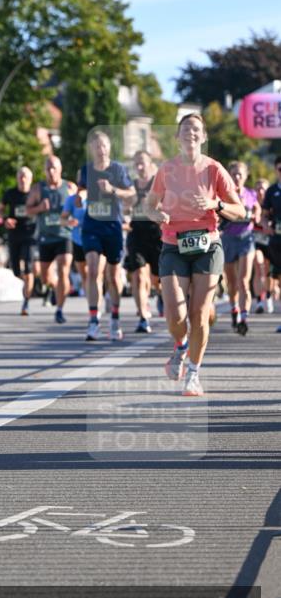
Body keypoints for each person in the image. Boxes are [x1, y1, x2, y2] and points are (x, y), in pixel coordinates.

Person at [145, 113, 245, 396]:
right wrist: (157, 214)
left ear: (203, 137)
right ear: (177, 137)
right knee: (176, 315)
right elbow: (149, 205)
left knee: (199, 314)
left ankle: (193, 373)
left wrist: (215, 203)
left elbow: (240, 211)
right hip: (173, 245)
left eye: (196, 129)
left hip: (208, 245)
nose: (191, 132)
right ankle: (180, 346)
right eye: (185, 129)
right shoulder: (167, 170)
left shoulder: (214, 169)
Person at [79, 131, 135, 341]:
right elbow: (81, 191)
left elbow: (131, 193)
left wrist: (113, 190)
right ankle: (93, 320)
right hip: (92, 225)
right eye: (97, 146)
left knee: (113, 275)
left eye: (104, 146)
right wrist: (78, 198)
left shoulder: (118, 169)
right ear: (91, 149)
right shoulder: (85, 170)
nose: (100, 150)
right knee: (93, 270)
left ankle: (115, 318)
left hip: (113, 225)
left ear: (109, 148)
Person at [26, 156, 74, 324]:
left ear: (60, 169)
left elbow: (81, 206)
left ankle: (60, 309)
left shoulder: (69, 187)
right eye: (48, 168)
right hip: (46, 237)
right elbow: (27, 210)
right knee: (45, 277)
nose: (51, 171)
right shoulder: (38, 189)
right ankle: (53, 288)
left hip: (64, 235)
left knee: (63, 270)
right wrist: (39, 208)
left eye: (54, 167)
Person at [123, 150, 163, 334]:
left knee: (157, 279)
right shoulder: (130, 187)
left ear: (150, 163)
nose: (139, 167)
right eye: (136, 163)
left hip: (157, 235)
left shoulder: (159, 183)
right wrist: (125, 213)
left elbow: (168, 205)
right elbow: (123, 210)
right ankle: (143, 317)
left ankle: (160, 293)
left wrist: (157, 208)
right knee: (139, 276)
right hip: (136, 234)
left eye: (142, 163)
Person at [221, 161, 259, 336]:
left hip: (246, 238)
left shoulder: (251, 194)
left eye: (240, 174)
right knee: (232, 282)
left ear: (245, 177)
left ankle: (244, 318)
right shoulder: (224, 194)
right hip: (228, 238)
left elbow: (258, 211)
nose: (236, 177)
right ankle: (234, 309)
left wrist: (255, 215)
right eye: (233, 174)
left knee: (244, 280)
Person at [0, 166, 37, 316]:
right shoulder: (10, 193)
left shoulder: (35, 194)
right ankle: (31, 282)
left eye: (25, 176)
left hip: (30, 235)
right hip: (14, 234)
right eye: (20, 176)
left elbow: (44, 209)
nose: (23, 179)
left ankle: (26, 302)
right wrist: (5, 219)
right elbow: (0, 209)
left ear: (30, 179)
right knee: (15, 271)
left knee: (27, 267)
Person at [261, 155, 281, 333]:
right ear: (276, 170)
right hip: (277, 240)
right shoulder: (272, 191)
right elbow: (265, 214)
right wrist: (266, 224)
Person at [61, 183, 88, 300]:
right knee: (85, 274)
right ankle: (92, 306)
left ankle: (99, 303)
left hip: (95, 239)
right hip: (78, 240)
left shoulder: (97, 197)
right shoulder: (71, 200)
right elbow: (62, 220)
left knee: (95, 273)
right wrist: (69, 222)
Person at [252, 179, 274, 314]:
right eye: (258, 189)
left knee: (268, 272)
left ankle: (269, 296)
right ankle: (259, 301)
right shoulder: (252, 204)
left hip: (270, 243)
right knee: (258, 267)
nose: (260, 191)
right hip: (256, 242)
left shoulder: (272, 205)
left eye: (263, 189)